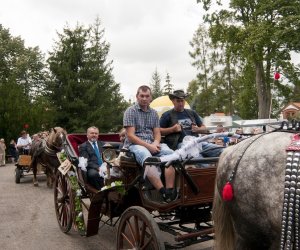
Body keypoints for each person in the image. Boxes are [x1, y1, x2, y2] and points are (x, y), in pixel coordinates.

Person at [123, 85, 176, 202]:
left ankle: (170, 191)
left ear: (150, 98)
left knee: (171, 156)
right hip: (135, 144)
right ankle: (162, 192)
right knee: (148, 159)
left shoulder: (153, 113)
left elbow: (157, 133)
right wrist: (149, 146)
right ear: (137, 97)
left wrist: (156, 143)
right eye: (142, 96)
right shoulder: (130, 111)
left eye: (147, 96)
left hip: (152, 143)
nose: (144, 98)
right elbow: (131, 136)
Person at [160, 89, 223, 157]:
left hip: (197, 142)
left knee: (221, 150)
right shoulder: (167, 115)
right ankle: (203, 165)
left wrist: (198, 129)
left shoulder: (192, 113)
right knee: (198, 158)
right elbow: (158, 131)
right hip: (180, 145)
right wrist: (172, 129)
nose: (181, 103)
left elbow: (204, 128)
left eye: (182, 101)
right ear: (173, 101)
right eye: (178, 101)